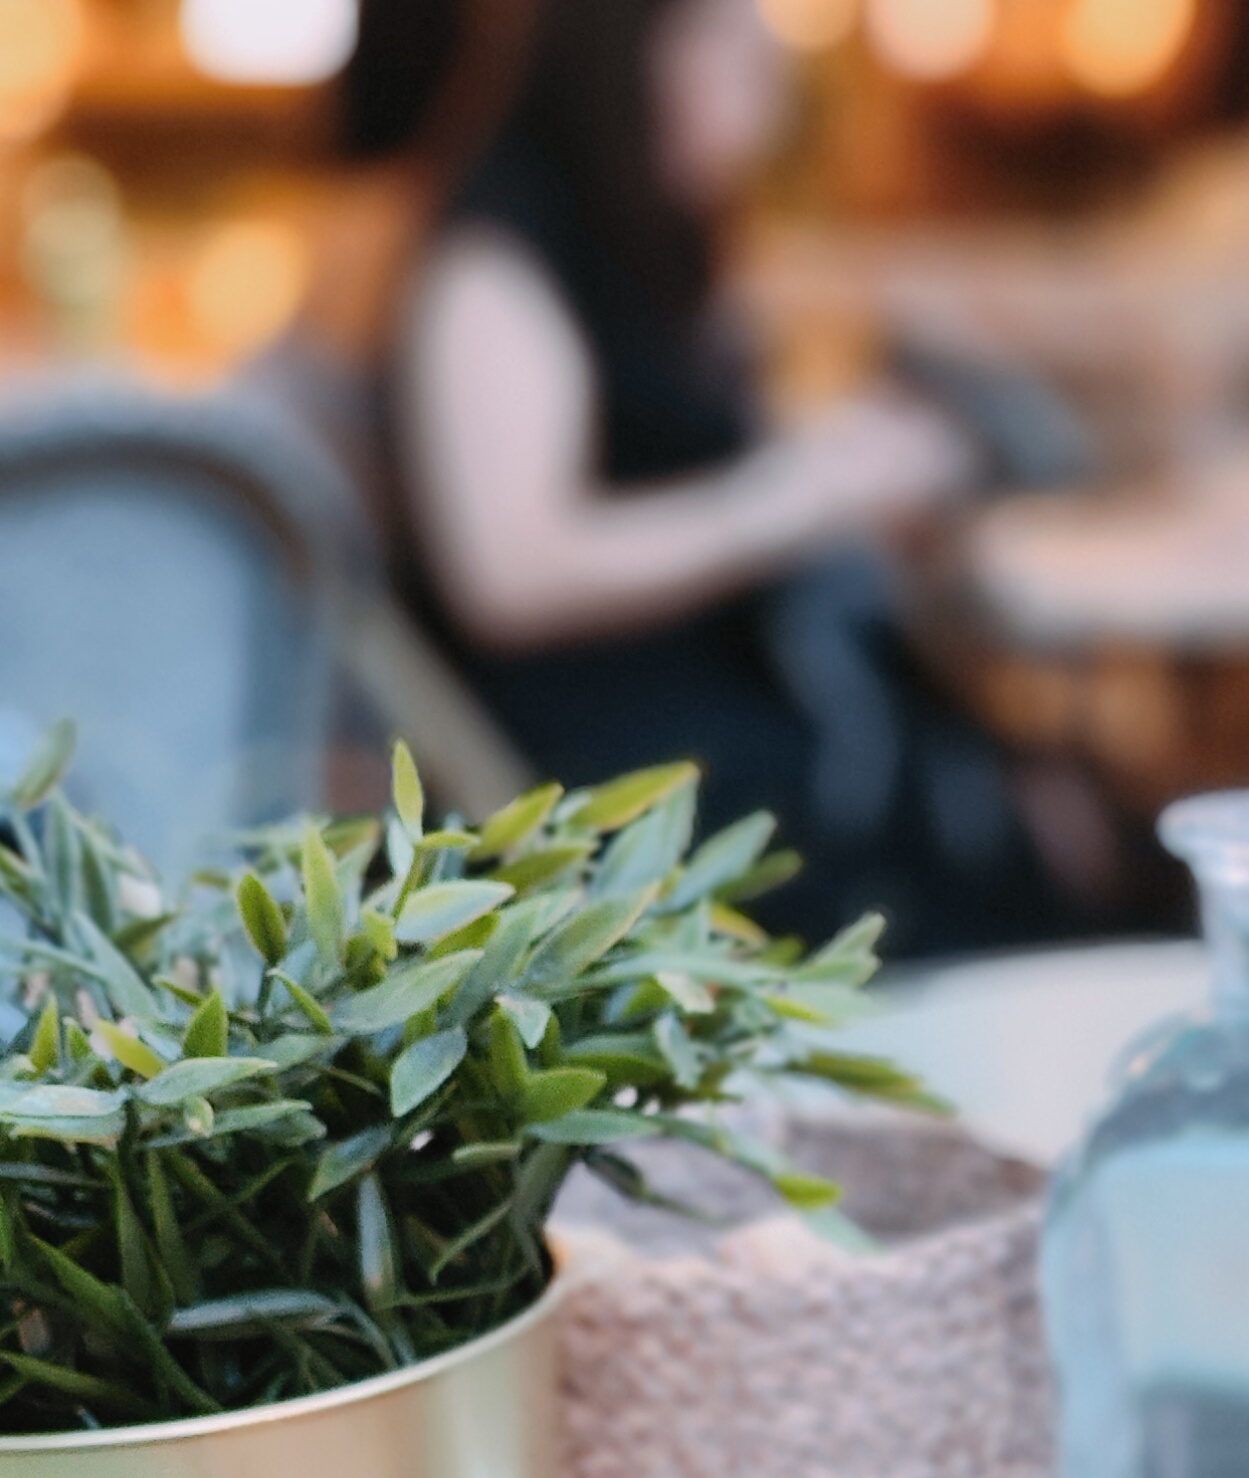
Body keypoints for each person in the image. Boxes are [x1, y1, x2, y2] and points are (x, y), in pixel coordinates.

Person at [341, 0, 1099, 953]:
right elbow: (512, 574)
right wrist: (802, 493)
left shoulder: (637, 240)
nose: (771, 83)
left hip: (722, 739)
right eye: (739, 47)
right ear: (638, 52)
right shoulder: (493, 262)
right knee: (1014, 875)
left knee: (1056, 810)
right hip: (623, 788)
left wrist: (839, 474)